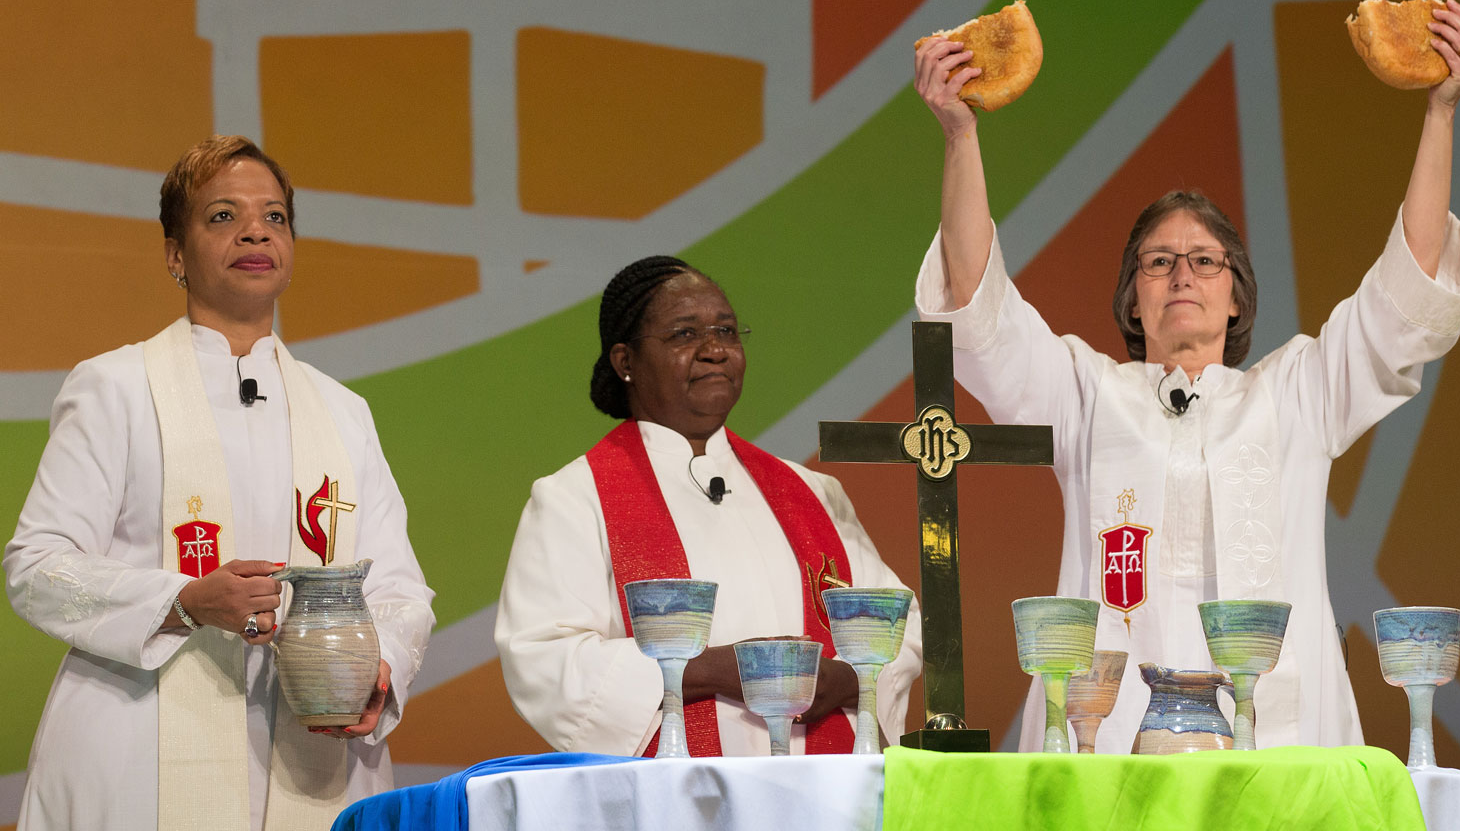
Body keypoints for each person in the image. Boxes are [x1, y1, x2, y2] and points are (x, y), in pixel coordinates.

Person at [912, 0, 1460, 754]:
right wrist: (961, 135)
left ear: (1237, 292)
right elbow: (978, 307)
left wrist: (1441, 113)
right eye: (1158, 261)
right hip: (1107, 736)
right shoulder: (1087, 393)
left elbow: (1405, 293)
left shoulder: (1297, 393)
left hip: (1274, 740)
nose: (1182, 274)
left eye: (1204, 260)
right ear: (1133, 297)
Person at [4, 136, 436, 831]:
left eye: (275, 217)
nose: (255, 231)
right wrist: (186, 600)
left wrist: (375, 670)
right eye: (222, 216)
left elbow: (396, 586)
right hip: (137, 748)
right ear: (175, 254)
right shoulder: (115, 388)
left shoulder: (342, 412)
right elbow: (39, 567)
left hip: (312, 749)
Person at [496, 255, 922, 755]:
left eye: (726, 330)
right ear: (625, 362)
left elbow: (899, 625)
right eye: (684, 334)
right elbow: (546, 658)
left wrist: (849, 677)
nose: (715, 350)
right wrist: (717, 669)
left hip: (822, 789)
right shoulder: (576, 497)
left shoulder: (811, 491)